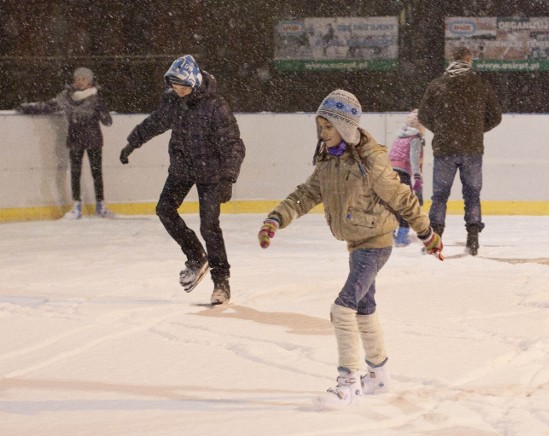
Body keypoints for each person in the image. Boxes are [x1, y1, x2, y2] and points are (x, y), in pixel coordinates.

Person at [257, 89, 443, 409]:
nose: (322, 132)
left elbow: (400, 197)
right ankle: (379, 375)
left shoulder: (370, 160)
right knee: (364, 307)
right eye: (320, 125)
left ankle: (349, 383)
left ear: (344, 126)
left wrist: (427, 233)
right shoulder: (328, 160)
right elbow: (306, 194)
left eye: (328, 126)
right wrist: (276, 218)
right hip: (357, 243)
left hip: (375, 243)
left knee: (343, 309)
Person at [119, 55, 245, 305]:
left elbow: (234, 145)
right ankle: (197, 256)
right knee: (164, 209)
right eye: (175, 87)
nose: (179, 91)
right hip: (183, 168)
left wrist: (228, 178)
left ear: (196, 83)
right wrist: (133, 142)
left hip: (211, 173)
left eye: (183, 87)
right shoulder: (173, 102)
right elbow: (154, 123)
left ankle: (221, 282)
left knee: (209, 226)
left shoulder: (215, 106)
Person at [418, 46, 502, 255]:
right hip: (472, 148)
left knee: (439, 196)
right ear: (468, 59)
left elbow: (423, 115)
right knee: (472, 195)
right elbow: (496, 116)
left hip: (445, 148)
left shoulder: (438, 85)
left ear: (451, 59)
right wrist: (474, 129)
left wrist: (442, 129)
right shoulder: (480, 84)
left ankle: (435, 239)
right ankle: (472, 239)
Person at [17, 67, 113, 219]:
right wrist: (28, 108)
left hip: (94, 140)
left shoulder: (96, 99)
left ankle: (101, 205)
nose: (80, 82)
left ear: (90, 81)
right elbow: (49, 106)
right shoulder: (67, 97)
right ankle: (77, 206)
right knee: (75, 173)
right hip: (75, 139)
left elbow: (108, 121)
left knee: (97, 173)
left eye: (84, 79)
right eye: (78, 79)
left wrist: (102, 110)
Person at [387, 109, 426, 247]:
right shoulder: (415, 137)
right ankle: (402, 235)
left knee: (392, 204)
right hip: (402, 173)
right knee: (405, 205)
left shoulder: (400, 136)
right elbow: (414, 158)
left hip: (390, 172)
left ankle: (389, 232)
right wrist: (417, 177)